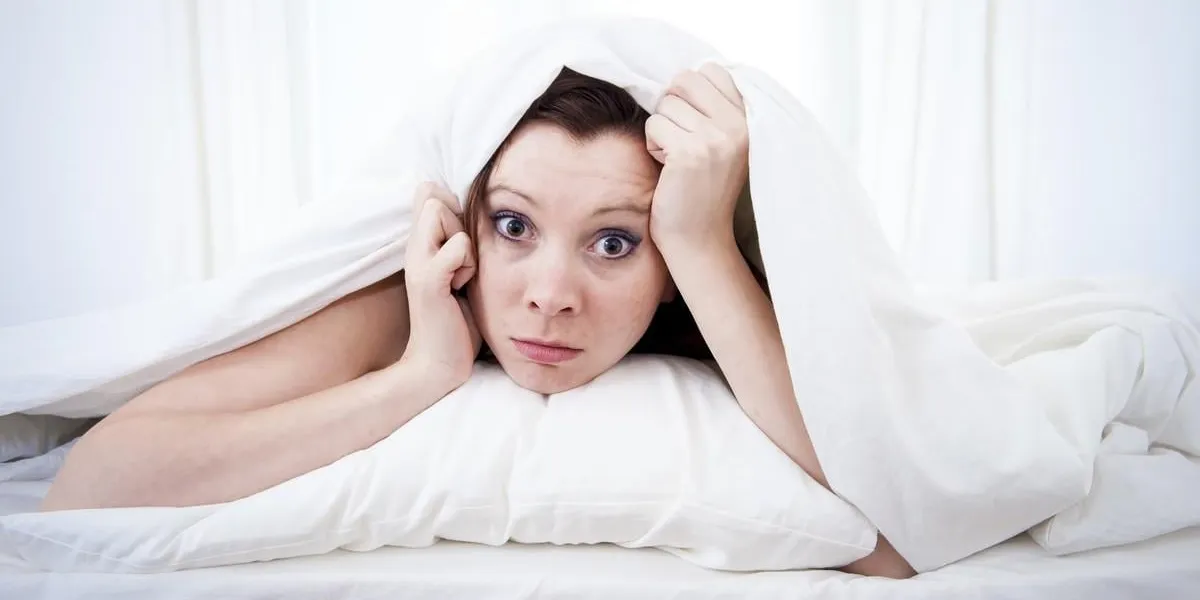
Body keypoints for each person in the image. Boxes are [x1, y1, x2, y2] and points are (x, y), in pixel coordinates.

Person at [40, 66, 914, 578]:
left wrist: (699, 242)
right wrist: (419, 376)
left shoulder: (703, 287)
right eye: (514, 226)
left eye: (613, 242)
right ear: (469, 221)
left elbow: (898, 536)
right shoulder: (413, 294)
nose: (550, 294)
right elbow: (95, 480)